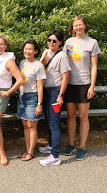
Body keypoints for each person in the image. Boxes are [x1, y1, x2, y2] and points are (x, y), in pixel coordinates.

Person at [62, 16, 101, 160]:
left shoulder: (92, 42)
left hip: (84, 83)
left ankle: (82, 147)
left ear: (85, 26)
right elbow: (63, 62)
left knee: (83, 117)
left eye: (80, 25)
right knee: (71, 116)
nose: (78, 27)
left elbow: (94, 66)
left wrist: (92, 85)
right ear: (72, 27)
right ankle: (71, 144)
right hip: (70, 84)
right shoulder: (68, 42)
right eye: (75, 25)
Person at [0, 34, 24, 166]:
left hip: (1, 93)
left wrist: (8, 92)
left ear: (6, 45)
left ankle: (2, 152)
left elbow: (20, 80)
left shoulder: (9, 60)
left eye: (2, 44)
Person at [38, 30, 71, 166]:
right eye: (49, 40)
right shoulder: (46, 52)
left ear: (60, 43)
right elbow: (41, 67)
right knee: (49, 120)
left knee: (54, 123)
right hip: (45, 91)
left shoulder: (62, 56)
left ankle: (55, 156)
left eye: (54, 41)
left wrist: (60, 95)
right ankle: (51, 145)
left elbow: (65, 77)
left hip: (55, 92)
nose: (51, 43)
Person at [17, 40, 46, 161]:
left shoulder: (38, 65)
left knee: (32, 126)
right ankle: (27, 149)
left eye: (30, 49)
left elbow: (40, 86)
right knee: (25, 125)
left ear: (35, 51)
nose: (27, 51)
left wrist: (39, 104)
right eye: (26, 48)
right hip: (21, 96)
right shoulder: (22, 63)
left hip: (32, 97)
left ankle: (31, 152)